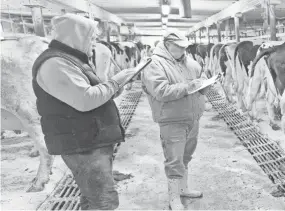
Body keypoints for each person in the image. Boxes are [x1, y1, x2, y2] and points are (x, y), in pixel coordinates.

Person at [32, 14, 139, 210]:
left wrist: (117, 86)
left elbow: (92, 93)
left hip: (88, 139)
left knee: (92, 197)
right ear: (76, 36)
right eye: (92, 37)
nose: (95, 42)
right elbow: (85, 100)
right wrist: (116, 81)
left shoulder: (72, 60)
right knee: (104, 201)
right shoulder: (55, 64)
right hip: (82, 144)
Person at [141, 32, 209, 210]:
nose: (182, 49)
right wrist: (189, 87)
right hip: (172, 119)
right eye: (178, 46)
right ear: (167, 44)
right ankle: (173, 198)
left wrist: (205, 86)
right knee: (174, 159)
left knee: (186, 155)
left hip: (193, 117)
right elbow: (161, 91)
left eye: (184, 46)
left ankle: (184, 188)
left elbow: (199, 84)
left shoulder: (192, 63)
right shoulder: (154, 65)